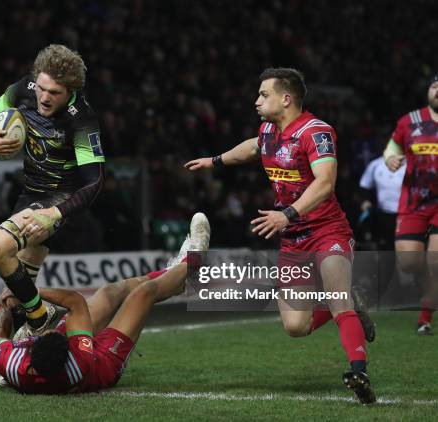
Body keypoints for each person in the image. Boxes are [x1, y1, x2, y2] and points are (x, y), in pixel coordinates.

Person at [185, 68, 376, 404]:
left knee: (336, 298)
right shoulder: (269, 130)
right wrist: (215, 160)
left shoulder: (316, 132)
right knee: (295, 326)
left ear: (286, 98)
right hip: (293, 240)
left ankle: (358, 371)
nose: (256, 100)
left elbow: (325, 182)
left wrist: (287, 214)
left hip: (326, 229)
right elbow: (252, 147)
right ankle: (355, 306)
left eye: (263, 94)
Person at [0, 213, 210, 394]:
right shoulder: (79, 362)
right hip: (103, 361)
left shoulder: (13, 365)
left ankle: (171, 277)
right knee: (143, 294)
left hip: (51, 362)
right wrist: (27, 291)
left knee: (109, 292)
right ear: (70, 347)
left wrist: (6, 304)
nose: (53, 329)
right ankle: (192, 262)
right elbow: (75, 302)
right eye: (52, 332)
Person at [0, 45, 105, 335]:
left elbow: (94, 182)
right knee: (14, 296)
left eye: (55, 92)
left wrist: (55, 213)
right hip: (30, 195)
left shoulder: (82, 119)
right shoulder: (24, 88)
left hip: (61, 200)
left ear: (71, 91)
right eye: (42, 88)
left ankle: (40, 317)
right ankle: (30, 354)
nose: (44, 97)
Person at [383, 73, 438, 335]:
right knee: (408, 262)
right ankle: (431, 291)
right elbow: (391, 149)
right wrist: (391, 159)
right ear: (428, 90)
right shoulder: (410, 121)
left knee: (435, 261)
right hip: (414, 201)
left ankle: (425, 317)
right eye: (435, 85)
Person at [357, 156, 405, 304]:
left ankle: (416, 292)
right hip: (384, 216)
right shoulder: (376, 164)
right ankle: (389, 294)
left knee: (408, 256)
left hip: (408, 215)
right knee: (386, 255)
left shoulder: (412, 163)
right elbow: (364, 186)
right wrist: (366, 202)